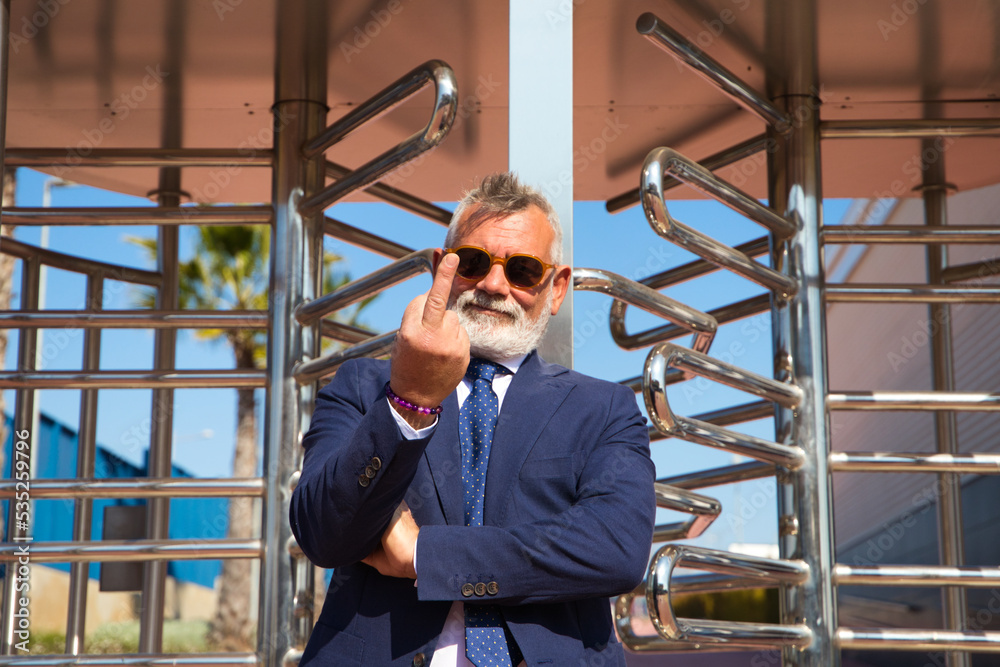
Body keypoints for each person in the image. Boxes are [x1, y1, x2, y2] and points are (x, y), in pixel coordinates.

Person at [290, 172, 656, 666]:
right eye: (474, 262)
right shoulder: (363, 386)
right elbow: (323, 532)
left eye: (524, 269)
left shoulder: (604, 407)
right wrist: (410, 399)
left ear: (557, 288)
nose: (493, 284)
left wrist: (425, 555)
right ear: (442, 267)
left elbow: (614, 549)